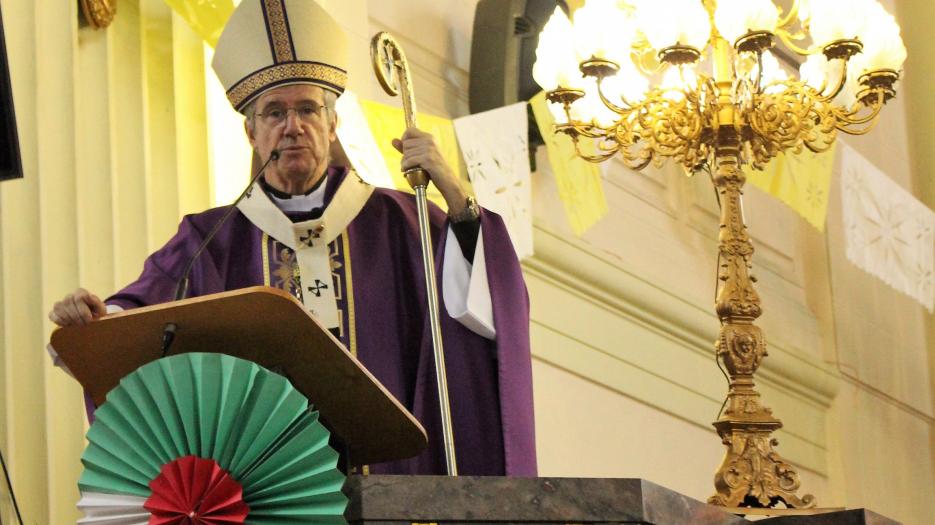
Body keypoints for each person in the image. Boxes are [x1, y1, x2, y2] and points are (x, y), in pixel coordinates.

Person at [47, 0, 536, 476]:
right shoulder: (210, 238)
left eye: (307, 109)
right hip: (264, 487)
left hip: (394, 478)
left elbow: (483, 313)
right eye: (274, 112)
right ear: (250, 131)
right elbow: (142, 318)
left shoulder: (401, 221)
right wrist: (94, 322)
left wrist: (455, 198)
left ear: (332, 123)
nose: (292, 127)